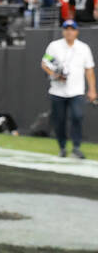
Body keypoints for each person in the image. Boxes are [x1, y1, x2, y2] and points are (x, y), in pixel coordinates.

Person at [41, 19, 97, 158]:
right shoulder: (54, 46)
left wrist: (92, 89)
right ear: (63, 31)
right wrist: (54, 74)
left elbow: (89, 69)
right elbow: (44, 63)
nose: (69, 32)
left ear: (77, 31)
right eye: (67, 29)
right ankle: (62, 146)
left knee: (77, 116)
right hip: (57, 90)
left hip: (76, 90)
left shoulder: (84, 48)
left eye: (72, 29)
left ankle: (76, 147)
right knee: (59, 120)